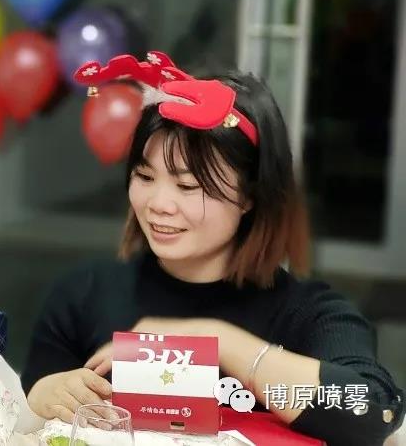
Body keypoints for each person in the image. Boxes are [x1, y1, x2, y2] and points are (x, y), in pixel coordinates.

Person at [21, 52, 403, 445]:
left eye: (188, 185)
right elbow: (26, 414)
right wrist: (42, 395)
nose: (158, 204)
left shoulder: (308, 315)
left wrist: (215, 341)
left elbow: (373, 413)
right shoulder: (83, 297)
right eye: (145, 176)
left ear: (250, 195)